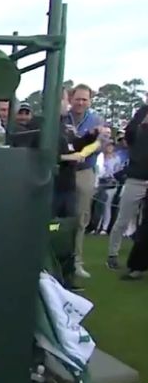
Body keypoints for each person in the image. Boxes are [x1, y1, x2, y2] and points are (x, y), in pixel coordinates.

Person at [61, 84, 104, 278]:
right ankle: (57, 258)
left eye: (85, 99)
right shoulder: (62, 117)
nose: (80, 102)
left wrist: (82, 151)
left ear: (90, 101)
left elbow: (100, 145)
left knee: (80, 218)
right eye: (78, 98)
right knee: (59, 217)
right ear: (70, 99)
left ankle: (76, 262)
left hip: (85, 172)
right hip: (62, 172)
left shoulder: (96, 120)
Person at [106, 104, 148, 270]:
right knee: (123, 219)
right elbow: (129, 134)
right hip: (136, 178)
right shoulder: (142, 114)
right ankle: (112, 254)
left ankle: (139, 262)